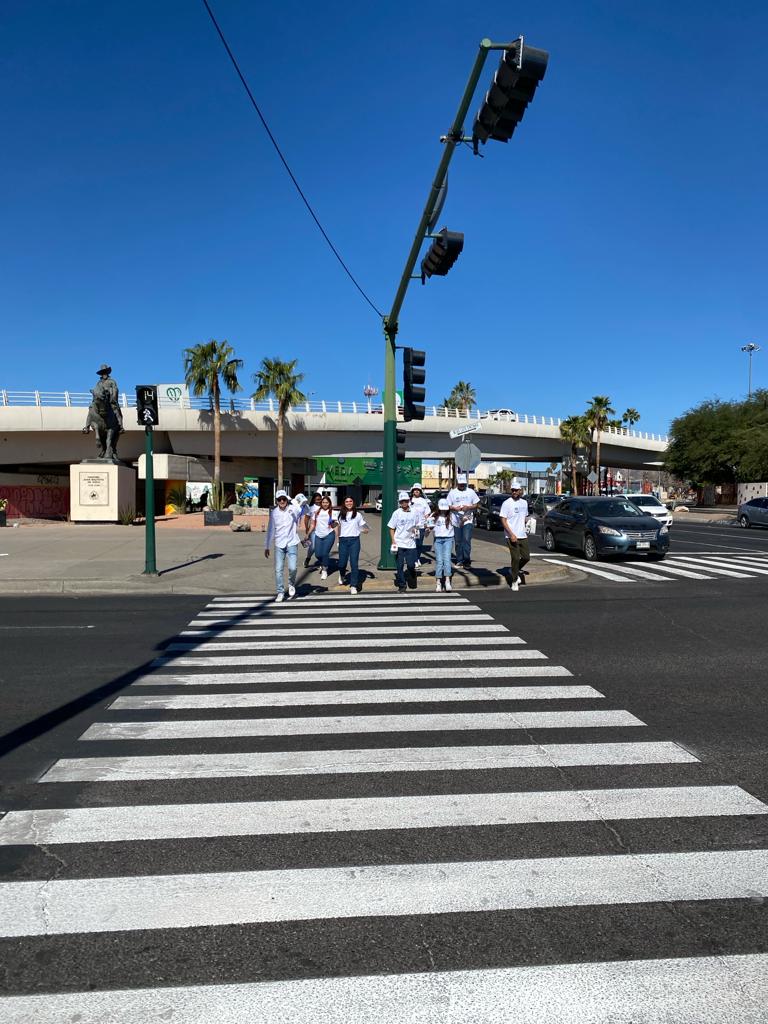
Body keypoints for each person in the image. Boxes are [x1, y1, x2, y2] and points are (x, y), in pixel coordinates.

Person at [264, 490, 304, 602]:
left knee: (293, 568)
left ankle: (291, 583)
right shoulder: (274, 513)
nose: (282, 501)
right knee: (278, 569)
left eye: (284, 499)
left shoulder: (293, 509)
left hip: (292, 542)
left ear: (287, 499)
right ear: (276, 501)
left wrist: (296, 501)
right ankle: (280, 592)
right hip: (279, 544)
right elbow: (271, 529)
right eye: (279, 499)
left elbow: (304, 509)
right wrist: (267, 546)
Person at [500, 480, 532, 592]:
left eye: (516, 490)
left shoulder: (524, 503)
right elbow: (503, 520)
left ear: (520, 491)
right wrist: (511, 534)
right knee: (515, 558)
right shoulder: (506, 503)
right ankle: (514, 581)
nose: (514, 492)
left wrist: (530, 523)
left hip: (522, 534)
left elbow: (524, 517)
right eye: (512, 490)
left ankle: (514, 570)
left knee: (526, 557)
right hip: (511, 535)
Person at [388, 491, 420, 593]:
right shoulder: (396, 513)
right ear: (400, 502)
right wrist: (393, 541)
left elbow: (418, 525)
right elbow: (391, 528)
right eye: (402, 501)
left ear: (409, 501)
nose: (404, 503)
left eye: (406, 501)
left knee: (411, 565)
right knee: (400, 566)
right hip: (399, 543)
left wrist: (416, 530)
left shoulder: (415, 512)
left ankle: (412, 577)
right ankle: (402, 585)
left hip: (411, 543)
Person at [337, 496, 369, 595]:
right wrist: (337, 540)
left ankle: (353, 585)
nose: (349, 503)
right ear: (344, 503)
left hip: (354, 541)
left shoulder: (358, 515)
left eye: (350, 501)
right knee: (342, 563)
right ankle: (342, 574)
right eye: (346, 501)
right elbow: (337, 527)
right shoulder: (340, 514)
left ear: (353, 502)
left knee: (354, 563)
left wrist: (365, 530)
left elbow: (364, 527)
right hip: (343, 541)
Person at [447, 473, 480, 567]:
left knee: (466, 539)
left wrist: (468, 507)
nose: (462, 485)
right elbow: (448, 505)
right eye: (460, 484)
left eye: (463, 484)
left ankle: (466, 560)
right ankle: (459, 559)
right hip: (456, 520)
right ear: (457, 483)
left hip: (467, 519)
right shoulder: (452, 492)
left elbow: (477, 504)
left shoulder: (471, 492)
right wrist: (454, 508)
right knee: (458, 541)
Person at [427, 497, 454, 592]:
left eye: (445, 509)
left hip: (448, 539)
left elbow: (459, 524)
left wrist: (463, 520)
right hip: (438, 540)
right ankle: (438, 582)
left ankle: (447, 581)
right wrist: (427, 529)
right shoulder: (433, 515)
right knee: (439, 560)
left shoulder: (451, 515)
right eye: (442, 508)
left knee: (447, 559)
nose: (443, 510)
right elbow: (428, 528)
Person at [307, 494, 337, 580]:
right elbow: (312, 524)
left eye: (327, 502)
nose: (325, 504)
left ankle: (324, 570)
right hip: (318, 535)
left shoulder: (333, 512)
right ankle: (324, 563)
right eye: (323, 502)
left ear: (329, 503)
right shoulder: (317, 512)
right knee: (317, 554)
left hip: (329, 535)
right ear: (321, 503)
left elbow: (335, 525)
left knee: (325, 553)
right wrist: (308, 534)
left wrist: (334, 524)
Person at [409, 483, 432, 568]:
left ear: (420, 492)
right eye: (415, 490)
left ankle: (417, 558)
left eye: (418, 490)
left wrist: (428, 525)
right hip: (412, 526)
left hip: (421, 526)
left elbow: (427, 514)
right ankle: (414, 559)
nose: (416, 491)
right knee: (413, 543)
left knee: (419, 544)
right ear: (412, 491)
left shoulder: (423, 501)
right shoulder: (409, 500)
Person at [303, 492, 323, 567]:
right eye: (317, 499)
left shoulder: (324, 506)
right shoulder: (310, 508)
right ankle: (308, 558)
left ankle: (322, 562)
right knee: (313, 547)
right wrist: (307, 529)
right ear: (314, 500)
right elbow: (306, 519)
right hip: (313, 530)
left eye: (320, 499)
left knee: (322, 547)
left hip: (323, 530)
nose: (319, 501)